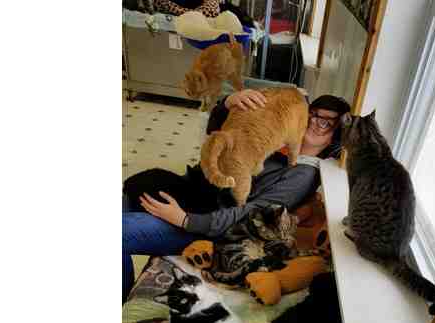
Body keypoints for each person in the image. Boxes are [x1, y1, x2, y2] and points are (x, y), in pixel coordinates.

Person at [123, 89, 351, 302]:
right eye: (312, 114)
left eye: (326, 123)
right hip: (194, 192)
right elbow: (218, 137)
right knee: (126, 198)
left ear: (334, 138)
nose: (313, 122)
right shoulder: (279, 137)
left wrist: (185, 220)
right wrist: (228, 103)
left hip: (205, 225)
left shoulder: (303, 174)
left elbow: (251, 215)